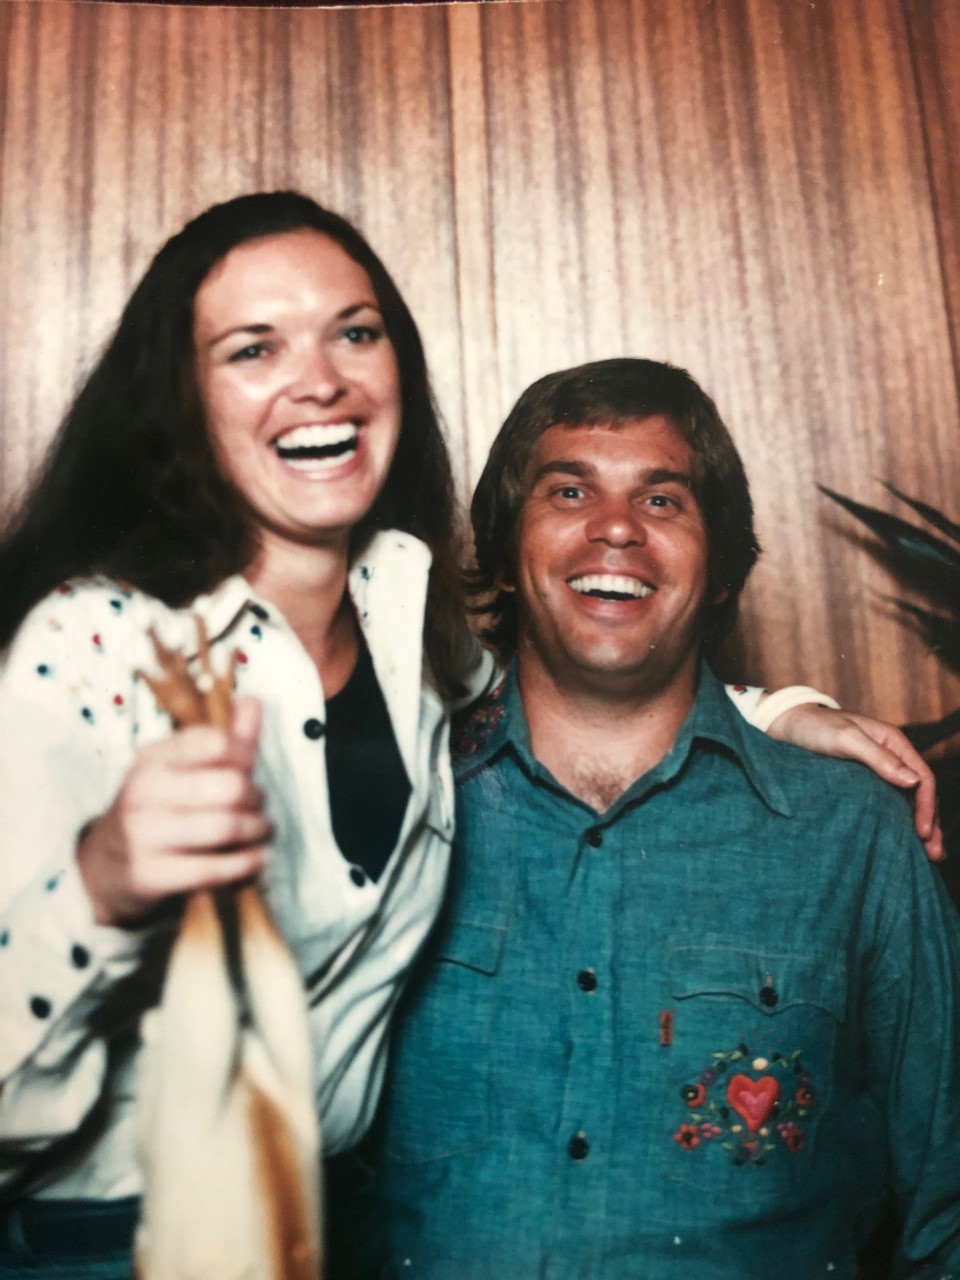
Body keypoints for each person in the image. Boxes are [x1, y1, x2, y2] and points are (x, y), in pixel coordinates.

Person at [0, 195, 937, 1276]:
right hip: (98, 1239)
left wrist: (778, 716)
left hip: (285, 1235)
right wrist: (103, 884)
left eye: (354, 332)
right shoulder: (95, 645)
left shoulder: (407, 621)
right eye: (254, 347)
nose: (319, 378)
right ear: (180, 397)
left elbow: (593, 660)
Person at [371, 358, 960, 1278]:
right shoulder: (392, 809)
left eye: (661, 500)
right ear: (506, 548)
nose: (616, 528)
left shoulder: (853, 835)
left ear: (718, 568)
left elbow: (948, 1211)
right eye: (570, 491)